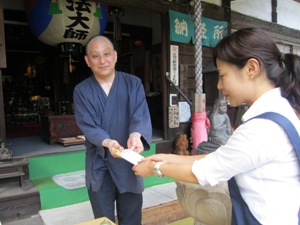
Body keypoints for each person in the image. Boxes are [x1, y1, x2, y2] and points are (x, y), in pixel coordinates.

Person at [133, 28, 300, 225]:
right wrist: (168, 157)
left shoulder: (262, 128)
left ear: (251, 68)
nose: (219, 85)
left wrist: (156, 167)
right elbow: (224, 156)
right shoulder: (282, 110)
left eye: (222, 75)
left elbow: (206, 171)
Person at [73, 35, 152, 225]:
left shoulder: (133, 84)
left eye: (107, 54)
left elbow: (138, 115)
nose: (103, 61)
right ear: (87, 61)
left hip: (128, 161)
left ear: (115, 56)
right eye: (95, 56)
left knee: (132, 218)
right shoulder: (82, 91)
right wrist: (107, 142)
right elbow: (88, 126)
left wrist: (136, 134)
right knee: (103, 220)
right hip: (99, 163)